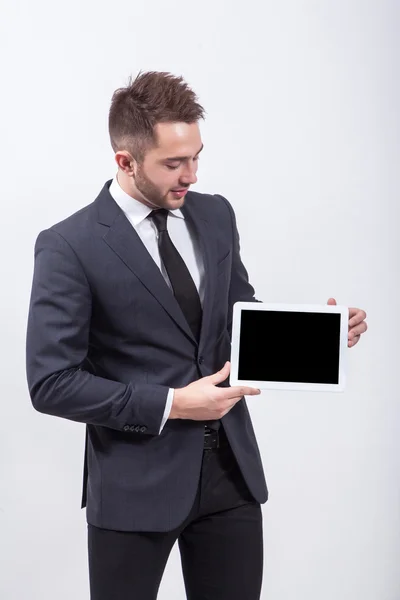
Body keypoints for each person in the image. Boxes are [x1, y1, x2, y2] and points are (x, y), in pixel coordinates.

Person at [25, 71, 368, 600]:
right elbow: (51, 382)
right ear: (125, 160)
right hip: (134, 486)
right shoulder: (69, 245)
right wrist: (173, 403)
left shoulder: (213, 213)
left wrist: (312, 334)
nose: (191, 174)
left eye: (196, 156)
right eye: (173, 164)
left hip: (230, 476)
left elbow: (235, 319)